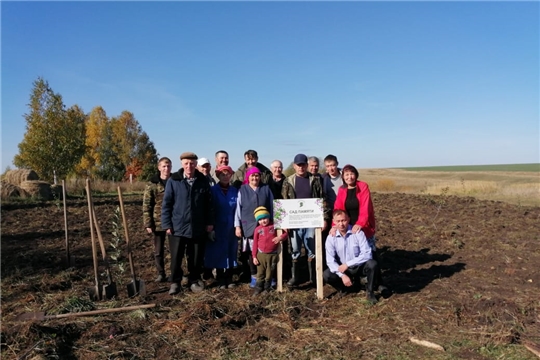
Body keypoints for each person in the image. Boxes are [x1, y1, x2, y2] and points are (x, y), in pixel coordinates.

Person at [161, 152, 214, 295]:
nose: (189, 166)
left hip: (198, 226)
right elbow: (167, 204)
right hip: (177, 226)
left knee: (196, 256)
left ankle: (194, 280)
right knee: (176, 257)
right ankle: (175, 282)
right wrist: (167, 224)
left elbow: (209, 204)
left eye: (192, 163)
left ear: (196, 164)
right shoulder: (174, 180)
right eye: (186, 163)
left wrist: (209, 222)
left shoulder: (202, 181)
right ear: (182, 164)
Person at [332, 164, 388, 294]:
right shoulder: (342, 190)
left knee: (370, 254)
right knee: (352, 252)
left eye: (351, 174)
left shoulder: (363, 186)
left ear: (356, 175)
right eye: (346, 174)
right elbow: (338, 208)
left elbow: (365, 207)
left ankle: (378, 282)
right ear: (343, 177)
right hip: (348, 226)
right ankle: (356, 281)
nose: (349, 177)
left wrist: (360, 224)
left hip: (363, 225)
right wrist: (335, 225)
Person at [281, 153, 330, 287]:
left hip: (311, 221)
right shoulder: (288, 181)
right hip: (294, 222)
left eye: (303, 164)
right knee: (295, 249)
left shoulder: (315, 180)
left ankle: (313, 277)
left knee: (311, 249)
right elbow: (284, 202)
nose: (301, 167)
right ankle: (295, 277)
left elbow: (322, 200)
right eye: (298, 165)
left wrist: (325, 218)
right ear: (294, 166)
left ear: (306, 165)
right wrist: (284, 222)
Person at [324, 210, 379, 304]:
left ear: (348, 219)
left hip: (358, 267)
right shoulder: (331, 238)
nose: (341, 224)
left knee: (372, 264)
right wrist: (342, 275)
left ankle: (370, 292)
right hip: (344, 270)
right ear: (334, 221)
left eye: (343, 220)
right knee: (326, 274)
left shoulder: (357, 233)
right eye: (338, 221)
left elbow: (367, 254)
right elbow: (330, 261)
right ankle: (344, 289)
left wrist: (347, 264)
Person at [234, 166, 274, 287]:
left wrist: (274, 222)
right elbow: (238, 209)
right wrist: (237, 226)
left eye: (257, 175)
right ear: (248, 177)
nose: (255, 178)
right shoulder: (242, 190)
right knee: (253, 253)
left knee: (267, 251)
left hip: (265, 226)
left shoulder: (266, 189)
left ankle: (268, 276)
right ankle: (254, 276)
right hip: (249, 226)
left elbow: (272, 206)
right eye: (252, 176)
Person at [204, 165, 238, 289]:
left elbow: (239, 209)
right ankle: (220, 277)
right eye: (222, 174)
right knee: (218, 251)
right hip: (218, 226)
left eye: (227, 174)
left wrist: (238, 225)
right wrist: (210, 228)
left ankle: (229, 276)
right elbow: (209, 209)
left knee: (231, 250)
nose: (225, 177)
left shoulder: (235, 191)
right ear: (218, 176)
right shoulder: (213, 190)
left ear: (231, 175)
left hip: (231, 226)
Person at [142, 157, 172, 283]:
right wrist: (148, 223)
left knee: (174, 250)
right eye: (164, 166)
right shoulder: (152, 184)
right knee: (159, 250)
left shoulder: (174, 181)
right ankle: (161, 273)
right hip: (158, 222)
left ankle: (174, 272)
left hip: (172, 222)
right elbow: (147, 204)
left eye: (169, 166)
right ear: (159, 167)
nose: (166, 169)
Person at [252, 206, 288, 295]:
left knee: (269, 273)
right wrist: (254, 256)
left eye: (264, 218)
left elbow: (286, 234)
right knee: (260, 273)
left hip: (272, 255)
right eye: (260, 220)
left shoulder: (275, 226)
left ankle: (266, 288)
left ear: (268, 217)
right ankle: (258, 288)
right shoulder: (257, 229)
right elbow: (255, 244)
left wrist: (280, 237)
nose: (263, 221)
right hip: (261, 255)